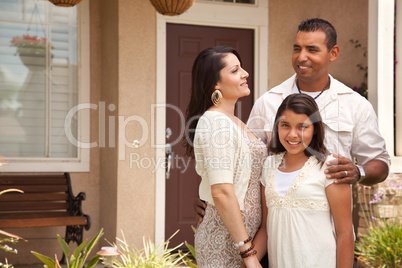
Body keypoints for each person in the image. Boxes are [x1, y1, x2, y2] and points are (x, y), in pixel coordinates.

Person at [194, 18, 390, 221]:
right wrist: (208, 192)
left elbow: (381, 163)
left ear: (333, 53)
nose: (301, 57)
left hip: (330, 232)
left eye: (312, 50)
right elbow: (244, 161)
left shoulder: (356, 105)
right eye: (297, 48)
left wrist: (358, 171)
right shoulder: (268, 102)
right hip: (275, 231)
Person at [184, 46, 267, 267]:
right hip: (226, 239)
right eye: (235, 70)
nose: (245, 73)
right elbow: (220, 192)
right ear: (215, 83)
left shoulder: (235, 122)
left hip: (244, 237)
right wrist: (248, 253)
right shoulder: (215, 122)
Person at [255, 93, 354, 267]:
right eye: (285, 125)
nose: (293, 135)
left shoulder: (330, 167)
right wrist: (247, 261)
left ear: (315, 128)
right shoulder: (268, 166)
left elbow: (345, 233)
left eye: (302, 126)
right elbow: (265, 230)